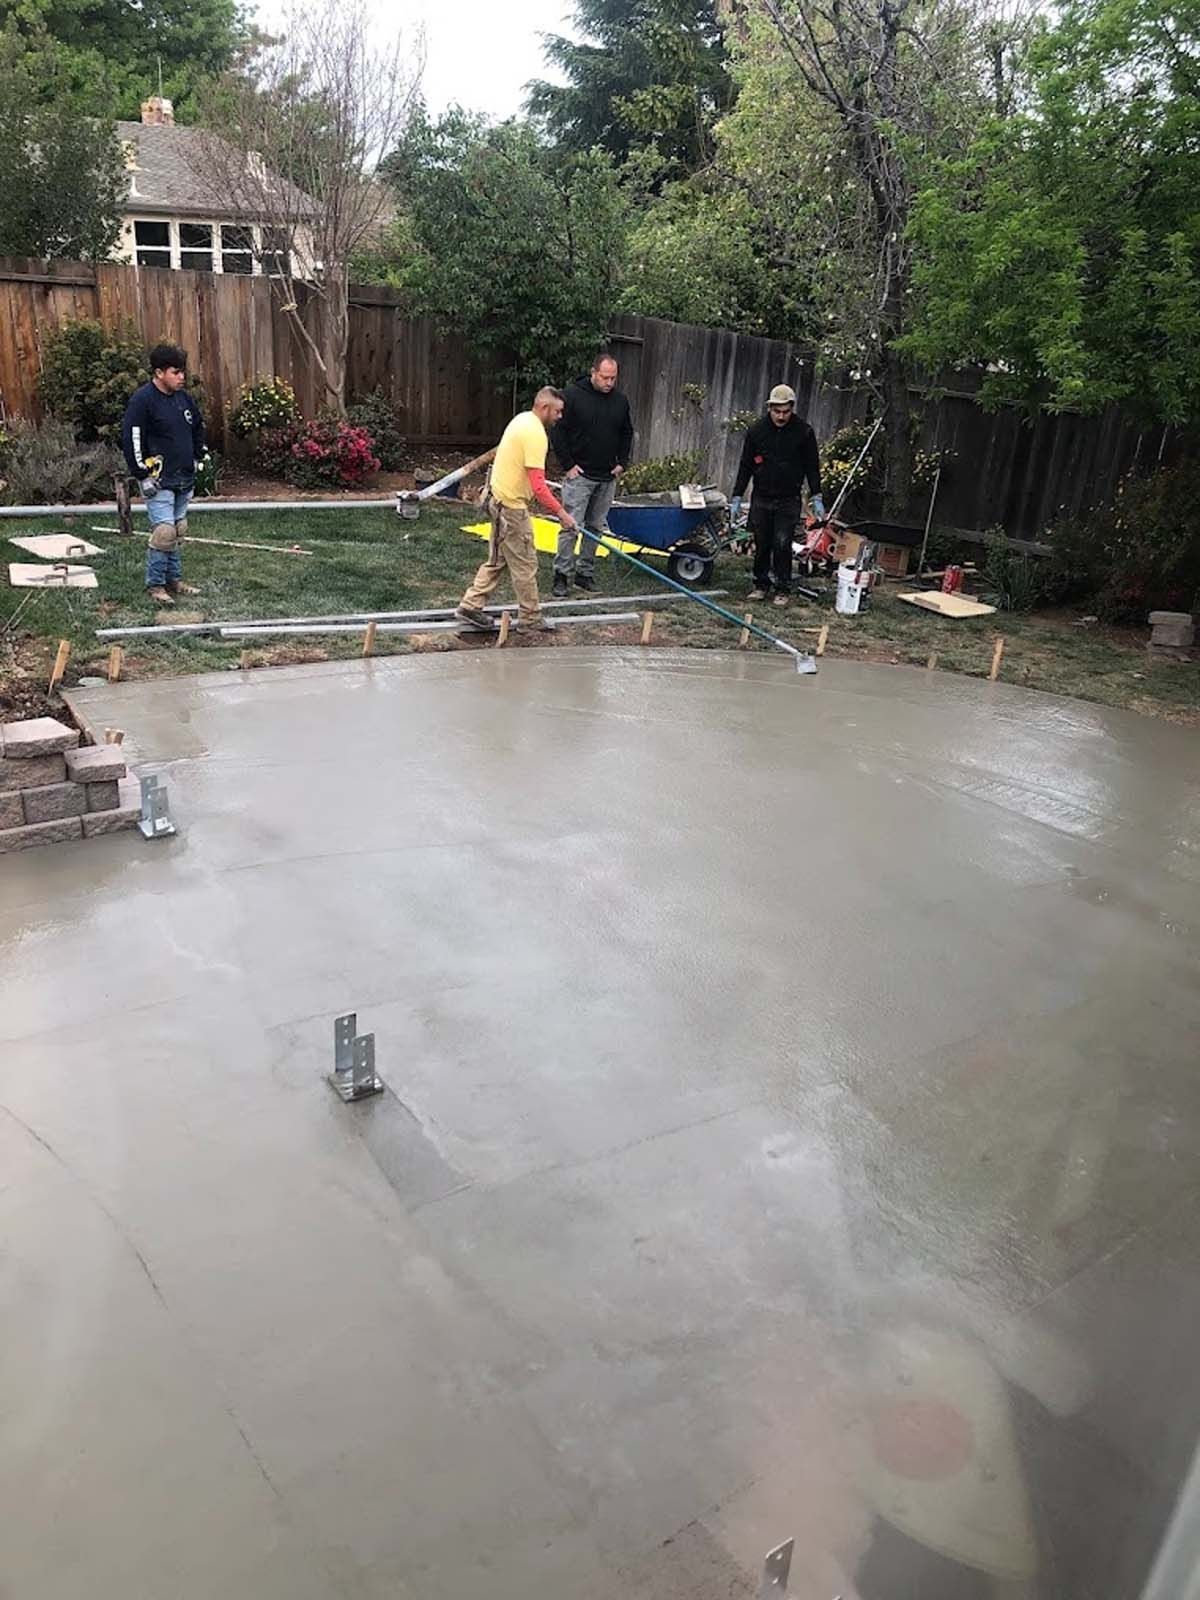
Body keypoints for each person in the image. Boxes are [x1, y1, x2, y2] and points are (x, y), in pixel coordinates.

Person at [455, 388, 578, 633]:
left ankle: (470, 605)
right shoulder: (535, 434)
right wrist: (562, 514)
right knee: (525, 564)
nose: (560, 416)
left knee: (497, 559)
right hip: (511, 509)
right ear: (544, 408)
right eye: (557, 411)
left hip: (497, 501)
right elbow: (539, 487)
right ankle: (530, 618)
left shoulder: (521, 420)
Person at [121, 343, 207, 605]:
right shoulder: (142, 401)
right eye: (175, 372)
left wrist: (197, 455)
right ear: (159, 373)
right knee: (164, 532)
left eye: (182, 372)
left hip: (184, 476)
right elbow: (133, 438)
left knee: (178, 529)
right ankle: (156, 585)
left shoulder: (184, 398)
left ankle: (174, 580)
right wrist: (141, 474)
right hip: (158, 479)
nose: (182, 377)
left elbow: (197, 426)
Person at [730, 383, 824, 608]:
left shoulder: (804, 432)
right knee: (762, 542)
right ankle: (760, 585)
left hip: (788, 498)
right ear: (769, 408)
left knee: (782, 543)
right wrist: (737, 496)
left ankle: (782, 588)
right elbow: (745, 465)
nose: (781, 416)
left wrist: (817, 496)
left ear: (792, 408)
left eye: (786, 412)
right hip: (762, 496)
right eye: (777, 411)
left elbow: (812, 466)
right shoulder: (756, 432)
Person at [549, 352, 633, 597]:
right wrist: (568, 465)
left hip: (607, 475)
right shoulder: (573, 396)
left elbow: (627, 432)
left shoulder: (620, 401)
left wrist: (622, 462)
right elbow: (558, 431)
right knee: (570, 526)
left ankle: (584, 573)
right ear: (593, 372)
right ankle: (561, 574)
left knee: (595, 527)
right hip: (580, 476)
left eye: (613, 378)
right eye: (605, 377)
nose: (609, 382)